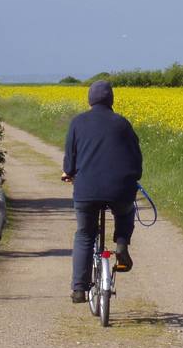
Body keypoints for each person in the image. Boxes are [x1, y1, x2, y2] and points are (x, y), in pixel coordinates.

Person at [61, 80, 143, 303]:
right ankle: (122, 243)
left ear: (89, 100)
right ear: (111, 100)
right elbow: (136, 158)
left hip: (86, 190)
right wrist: (133, 177)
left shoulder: (77, 122)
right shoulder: (122, 124)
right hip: (120, 188)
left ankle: (79, 289)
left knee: (85, 234)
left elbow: (70, 158)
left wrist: (68, 172)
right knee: (125, 212)